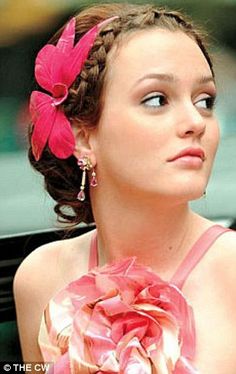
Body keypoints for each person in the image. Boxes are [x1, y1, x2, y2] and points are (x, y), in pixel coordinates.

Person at [13, 3, 236, 373]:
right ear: (84, 136)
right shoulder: (40, 279)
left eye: (205, 100)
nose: (196, 121)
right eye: (156, 99)